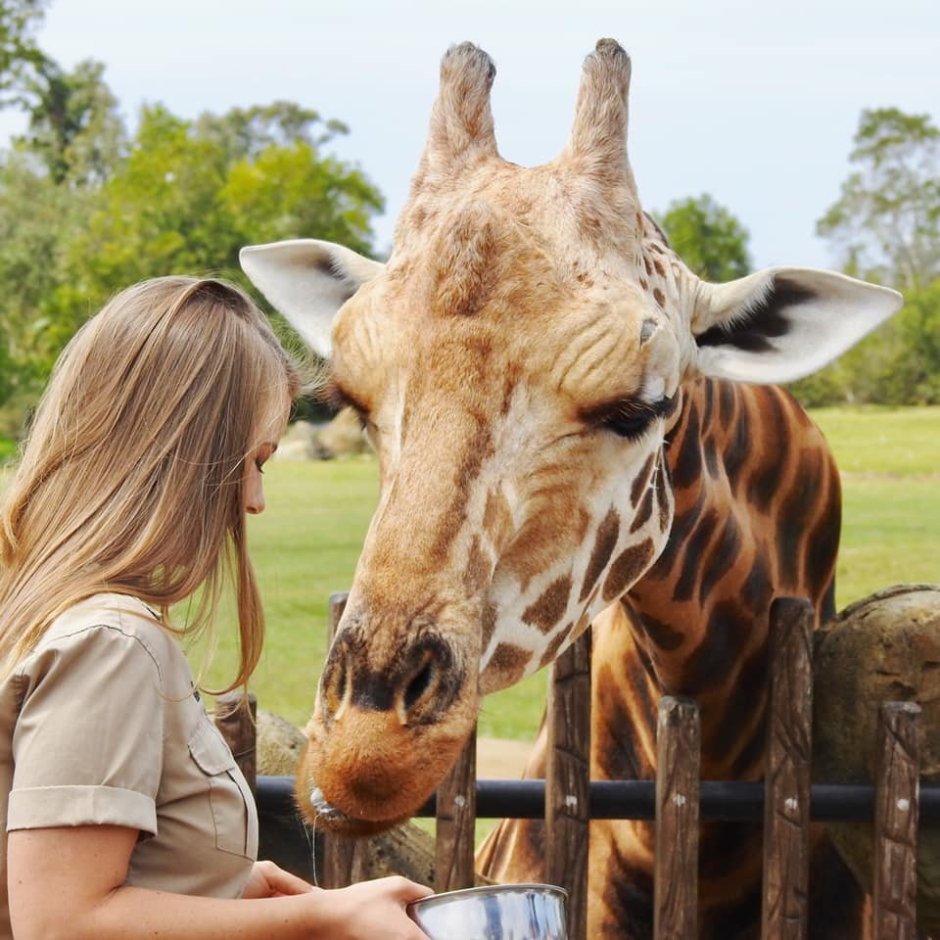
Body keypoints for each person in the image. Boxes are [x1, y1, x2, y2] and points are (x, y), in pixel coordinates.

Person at [0, 276, 431, 940]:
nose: (256, 500)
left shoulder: (46, 613)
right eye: (253, 461)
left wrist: (221, 888)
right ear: (184, 461)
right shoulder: (111, 641)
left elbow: (105, 877)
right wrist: (325, 915)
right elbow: (62, 921)